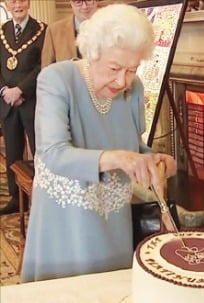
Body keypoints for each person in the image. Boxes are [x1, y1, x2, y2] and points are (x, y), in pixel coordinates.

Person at [21, 4, 177, 282]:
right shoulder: (57, 80)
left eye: (132, 69)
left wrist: (153, 160)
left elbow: (133, 147)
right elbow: (53, 154)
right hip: (65, 225)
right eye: (115, 68)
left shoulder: (135, 89)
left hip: (112, 223)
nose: (122, 81)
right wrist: (121, 159)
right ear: (92, 53)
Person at [0, 0, 46, 215]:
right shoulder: (2, 31)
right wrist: (4, 91)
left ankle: (42, 196)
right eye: (12, 1)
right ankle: (16, 199)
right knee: (12, 152)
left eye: (21, 1)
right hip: (7, 102)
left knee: (39, 151)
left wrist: (20, 90)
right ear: (7, 5)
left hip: (32, 100)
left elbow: (43, 65)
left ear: (27, 3)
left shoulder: (42, 30)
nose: (17, 5)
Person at [41, 0, 98, 67]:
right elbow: (46, 70)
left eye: (89, 0)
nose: (84, 6)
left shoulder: (110, 27)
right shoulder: (54, 30)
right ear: (71, 3)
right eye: (78, 2)